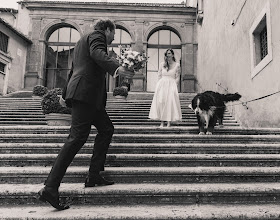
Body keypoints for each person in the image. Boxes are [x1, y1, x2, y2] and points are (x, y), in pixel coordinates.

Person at [37, 19, 134, 210]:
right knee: (76, 138)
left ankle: (94, 174)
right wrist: (117, 68)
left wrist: (64, 95)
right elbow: (97, 54)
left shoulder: (82, 40)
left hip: (89, 96)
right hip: (86, 94)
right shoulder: (97, 37)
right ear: (107, 30)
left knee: (106, 129)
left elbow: (74, 70)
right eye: (113, 34)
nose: (113, 38)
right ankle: (50, 187)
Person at [148, 49, 182, 127]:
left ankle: (169, 122)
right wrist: (158, 86)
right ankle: (162, 122)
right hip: (162, 85)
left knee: (170, 102)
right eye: (167, 54)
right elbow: (159, 75)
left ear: (173, 55)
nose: (168, 55)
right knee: (161, 102)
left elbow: (177, 77)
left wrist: (175, 86)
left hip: (171, 85)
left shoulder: (177, 65)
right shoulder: (162, 64)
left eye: (169, 53)